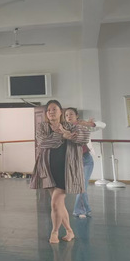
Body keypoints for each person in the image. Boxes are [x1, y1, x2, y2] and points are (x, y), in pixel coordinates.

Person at [30, 100, 89, 243]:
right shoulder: (42, 127)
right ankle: (69, 231)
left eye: (54, 109)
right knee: (59, 205)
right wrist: (62, 136)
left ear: (60, 112)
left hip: (66, 171)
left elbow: (84, 137)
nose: (51, 112)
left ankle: (54, 232)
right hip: (48, 171)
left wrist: (68, 133)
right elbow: (43, 142)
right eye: (49, 110)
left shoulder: (69, 126)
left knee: (55, 203)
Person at [64, 108, 106, 218]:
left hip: (87, 160)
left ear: (76, 115)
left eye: (71, 114)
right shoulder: (64, 128)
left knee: (82, 185)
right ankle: (86, 209)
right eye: (66, 115)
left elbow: (103, 125)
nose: (68, 116)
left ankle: (79, 210)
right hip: (74, 161)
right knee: (81, 186)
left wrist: (90, 124)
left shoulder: (84, 125)